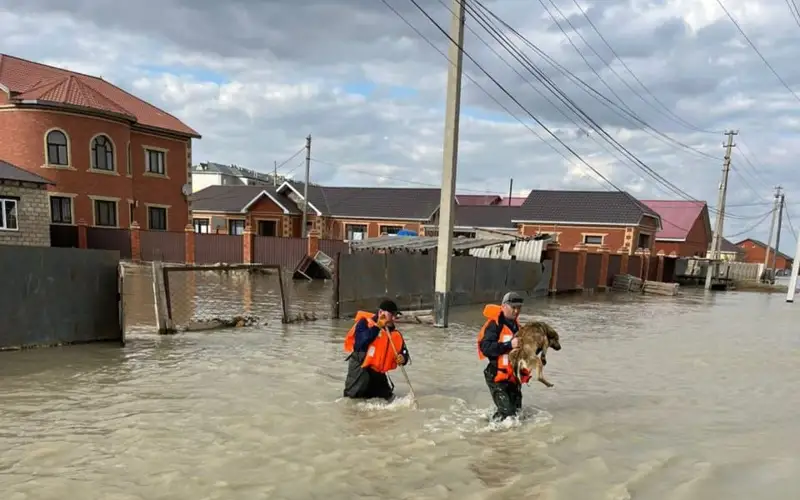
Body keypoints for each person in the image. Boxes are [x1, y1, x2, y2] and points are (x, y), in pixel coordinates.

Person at [477, 291, 531, 421]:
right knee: (509, 415)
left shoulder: (518, 327)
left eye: (519, 308)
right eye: (514, 307)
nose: (517, 311)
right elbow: (486, 348)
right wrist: (508, 345)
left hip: (512, 376)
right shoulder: (493, 325)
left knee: (518, 413)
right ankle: (490, 434)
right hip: (496, 375)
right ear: (504, 306)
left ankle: (493, 425)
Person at [343, 299, 411, 400]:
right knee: (352, 401)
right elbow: (361, 343)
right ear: (380, 313)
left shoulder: (396, 335)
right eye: (391, 314)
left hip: (378, 374)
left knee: (389, 400)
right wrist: (378, 326)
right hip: (360, 371)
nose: (393, 318)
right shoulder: (364, 323)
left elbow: (404, 352)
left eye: (395, 315)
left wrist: (403, 358)